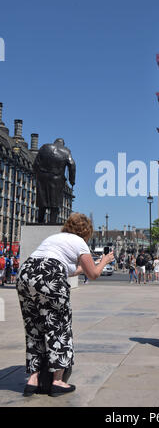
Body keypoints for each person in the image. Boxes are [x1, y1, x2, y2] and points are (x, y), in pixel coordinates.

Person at [16, 212, 114, 397]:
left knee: (34, 328)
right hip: (50, 276)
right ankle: (57, 382)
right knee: (58, 327)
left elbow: (69, 269)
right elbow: (92, 274)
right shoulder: (79, 242)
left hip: (26, 274)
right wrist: (103, 261)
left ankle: (32, 380)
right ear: (86, 232)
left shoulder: (54, 239)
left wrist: (90, 265)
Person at [33, 138, 76, 224]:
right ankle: (52, 223)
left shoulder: (44, 147)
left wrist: (38, 174)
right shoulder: (66, 151)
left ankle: (39, 222)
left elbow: (35, 164)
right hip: (57, 179)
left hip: (42, 177)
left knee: (42, 202)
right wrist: (72, 180)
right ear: (63, 144)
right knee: (55, 204)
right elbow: (72, 165)